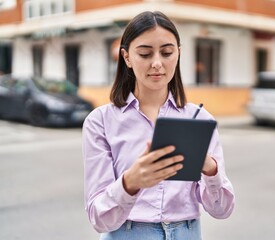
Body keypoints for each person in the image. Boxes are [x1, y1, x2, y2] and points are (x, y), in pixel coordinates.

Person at [82, 11, 235, 239]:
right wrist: (129, 182)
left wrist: (210, 168)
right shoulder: (100, 122)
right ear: (126, 58)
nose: (157, 63)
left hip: (187, 233)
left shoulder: (200, 119)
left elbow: (222, 210)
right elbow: (99, 218)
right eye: (145, 53)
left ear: (178, 54)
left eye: (167, 53)